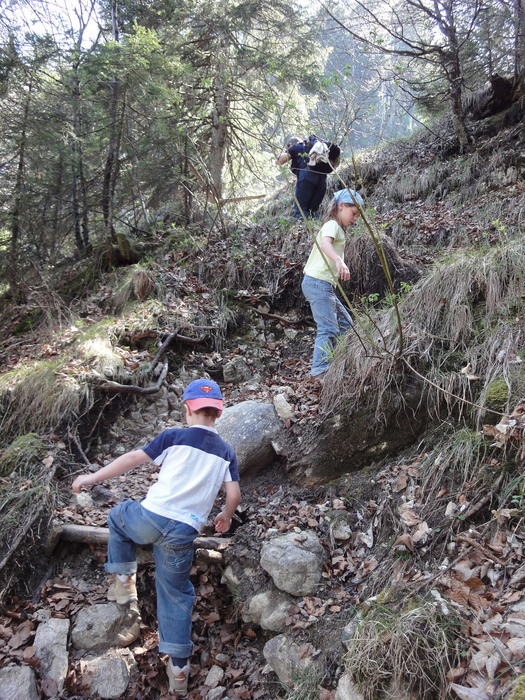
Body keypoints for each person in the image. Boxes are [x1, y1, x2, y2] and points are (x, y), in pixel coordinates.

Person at [71, 378, 240, 697]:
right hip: (183, 532)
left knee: (117, 515)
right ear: (217, 414)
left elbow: (133, 459)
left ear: (187, 409)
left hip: (151, 517)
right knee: (176, 592)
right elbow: (233, 493)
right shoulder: (226, 451)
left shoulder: (174, 436)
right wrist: (225, 516)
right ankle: (179, 668)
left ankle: (124, 583)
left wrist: (92, 477)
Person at [301, 188, 364, 379]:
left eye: (358, 216)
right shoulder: (332, 225)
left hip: (323, 285)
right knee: (328, 328)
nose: (355, 218)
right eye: (354, 213)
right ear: (341, 206)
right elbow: (325, 244)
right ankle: (320, 370)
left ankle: (336, 361)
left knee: (346, 325)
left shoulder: (338, 229)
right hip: (318, 283)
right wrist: (338, 260)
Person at [295, 137, 341, 219]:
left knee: (301, 211)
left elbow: (279, 161)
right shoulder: (321, 147)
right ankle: (320, 225)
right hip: (322, 179)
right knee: (312, 212)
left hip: (307, 177)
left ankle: (307, 229)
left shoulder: (295, 147)